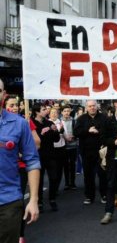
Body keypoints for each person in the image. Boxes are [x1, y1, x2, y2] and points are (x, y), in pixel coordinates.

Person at [0, 79, 40, 243]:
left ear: (3, 94)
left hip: (8, 201)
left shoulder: (20, 124)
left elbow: (32, 162)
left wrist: (33, 199)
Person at [74, 100, 108, 205]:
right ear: (86, 108)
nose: (92, 108)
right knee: (88, 175)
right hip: (86, 151)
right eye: (90, 106)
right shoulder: (81, 119)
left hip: (101, 151)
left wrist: (99, 131)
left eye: (93, 106)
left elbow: (110, 131)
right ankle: (89, 196)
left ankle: (104, 195)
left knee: (103, 174)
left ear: (97, 106)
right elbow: (76, 132)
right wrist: (88, 131)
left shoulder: (104, 118)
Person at [31, 103, 61, 212]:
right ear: (37, 112)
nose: (46, 111)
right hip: (37, 155)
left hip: (51, 155)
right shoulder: (30, 123)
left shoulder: (49, 122)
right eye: (43, 109)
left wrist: (55, 130)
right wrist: (41, 133)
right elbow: (31, 140)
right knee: (38, 180)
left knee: (54, 178)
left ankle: (52, 199)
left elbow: (56, 139)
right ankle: (38, 202)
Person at [61, 105, 78, 190]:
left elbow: (77, 132)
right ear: (62, 112)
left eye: (68, 111)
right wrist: (65, 137)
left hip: (73, 145)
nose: (67, 112)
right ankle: (67, 183)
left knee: (72, 165)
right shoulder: (59, 122)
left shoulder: (74, 121)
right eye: (65, 111)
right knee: (65, 165)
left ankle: (73, 183)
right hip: (63, 146)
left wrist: (73, 137)